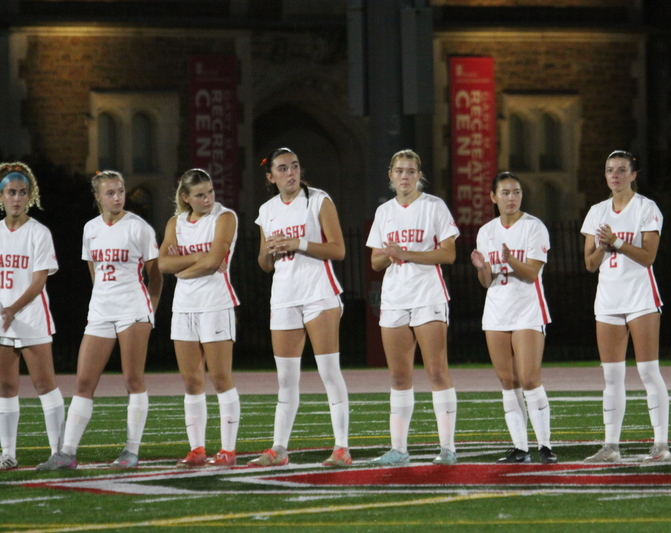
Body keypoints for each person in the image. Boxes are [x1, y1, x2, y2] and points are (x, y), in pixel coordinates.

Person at [36, 171, 162, 470]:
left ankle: (131, 451)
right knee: (83, 381)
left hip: (133, 309)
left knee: (132, 380)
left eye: (120, 191)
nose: (117, 197)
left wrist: (150, 311)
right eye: (110, 193)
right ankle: (67, 453)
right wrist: (102, 301)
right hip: (101, 311)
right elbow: (94, 271)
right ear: (97, 197)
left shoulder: (138, 227)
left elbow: (155, 275)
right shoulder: (90, 228)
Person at [249, 148, 351, 468]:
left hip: (319, 294)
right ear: (271, 177)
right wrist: (270, 250)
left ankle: (342, 449)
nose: (290, 173)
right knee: (286, 379)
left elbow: (338, 249)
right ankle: (278, 449)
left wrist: (297, 243)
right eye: (282, 168)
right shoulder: (267, 210)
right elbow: (264, 264)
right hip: (284, 297)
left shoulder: (318, 200)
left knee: (328, 372)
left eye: (294, 166)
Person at [367, 149, 459, 466]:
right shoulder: (384, 213)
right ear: (390, 176)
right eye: (399, 171)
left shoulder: (434, 206)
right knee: (398, 376)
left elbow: (448, 254)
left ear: (419, 175)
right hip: (394, 299)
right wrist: (391, 253)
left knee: (436, 371)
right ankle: (399, 449)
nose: (404, 176)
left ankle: (447, 448)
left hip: (428, 295)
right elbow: (376, 261)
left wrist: (407, 253)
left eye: (410, 171)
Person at [580, 151, 671, 464]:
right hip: (608, 300)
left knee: (647, 370)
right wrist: (604, 246)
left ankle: (661, 446)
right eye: (609, 170)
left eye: (621, 170)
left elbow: (648, 257)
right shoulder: (596, 212)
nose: (614, 175)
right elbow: (590, 264)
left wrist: (616, 241)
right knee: (612, 376)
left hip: (641, 298)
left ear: (634, 174)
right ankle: (611, 447)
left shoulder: (646, 208)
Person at [470, 172, 557, 465]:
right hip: (496, 311)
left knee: (530, 378)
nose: (511, 198)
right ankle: (520, 448)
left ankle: (545, 446)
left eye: (516, 192)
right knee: (508, 381)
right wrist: (483, 267)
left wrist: (509, 259)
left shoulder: (534, 227)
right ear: (493, 197)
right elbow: (486, 281)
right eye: (505, 193)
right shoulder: (486, 231)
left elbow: (532, 273)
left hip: (528, 310)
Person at [158, 169, 240, 468]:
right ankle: (197, 450)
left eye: (210, 192)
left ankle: (228, 451)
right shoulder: (175, 223)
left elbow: (214, 260)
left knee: (220, 378)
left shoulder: (225, 217)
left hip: (215, 304)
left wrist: (183, 267)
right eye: (200, 195)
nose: (208, 199)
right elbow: (163, 263)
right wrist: (195, 261)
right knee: (192, 381)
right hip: (184, 307)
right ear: (185, 197)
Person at [0, 162, 64, 470]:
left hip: (31, 317)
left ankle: (58, 453)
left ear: (29, 196)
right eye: (11, 192)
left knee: (43, 383)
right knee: (6, 386)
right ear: (1, 196)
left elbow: (39, 280)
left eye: (22, 193)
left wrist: (13, 308)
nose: (17, 199)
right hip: (2, 320)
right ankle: (8, 454)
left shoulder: (39, 233)